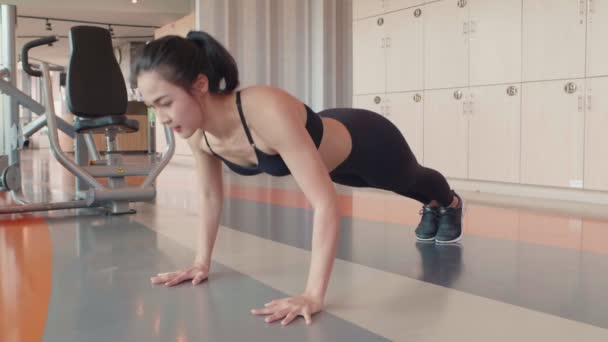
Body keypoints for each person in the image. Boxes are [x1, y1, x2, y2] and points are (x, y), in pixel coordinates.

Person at [132, 30, 464, 326]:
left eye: (165, 103)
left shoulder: (263, 110)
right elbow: (209, 197)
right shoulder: (198, 135)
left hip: (367, 142)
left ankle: (448, 203)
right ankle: (435, 206)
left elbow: (324, 203)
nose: (161, 118)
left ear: (200, 85)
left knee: (411, 181)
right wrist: (200, 263)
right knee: (393, 184)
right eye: (152, 107)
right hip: (332, 163)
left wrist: (312, 295)